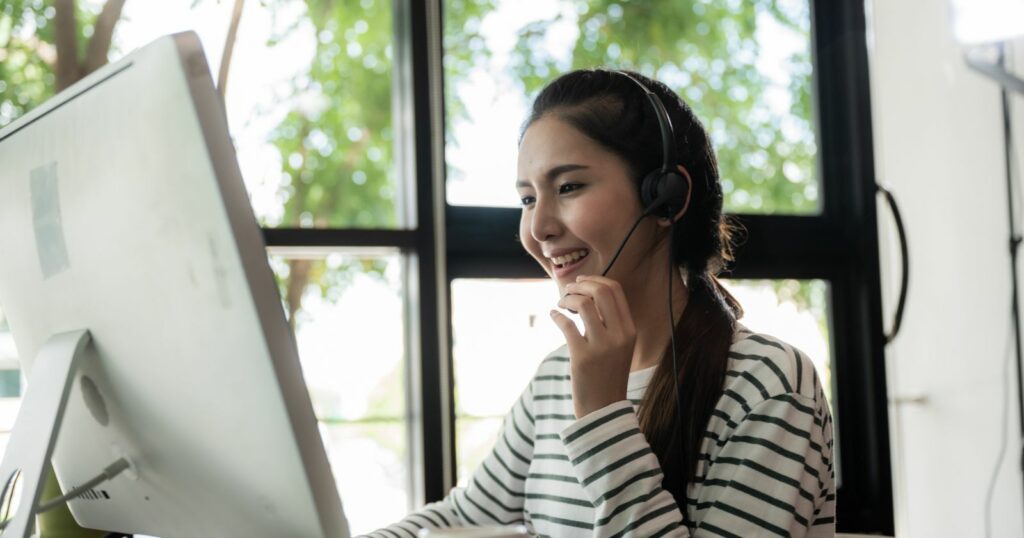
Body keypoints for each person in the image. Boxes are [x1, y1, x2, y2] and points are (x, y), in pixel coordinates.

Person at [365, 68, 835, 537]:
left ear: (666, 198)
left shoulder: (767, 385)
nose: (539, 227)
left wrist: (602, 415)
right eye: (528, 199)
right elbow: (462, 517)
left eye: (568, 187)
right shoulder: (555, 377)